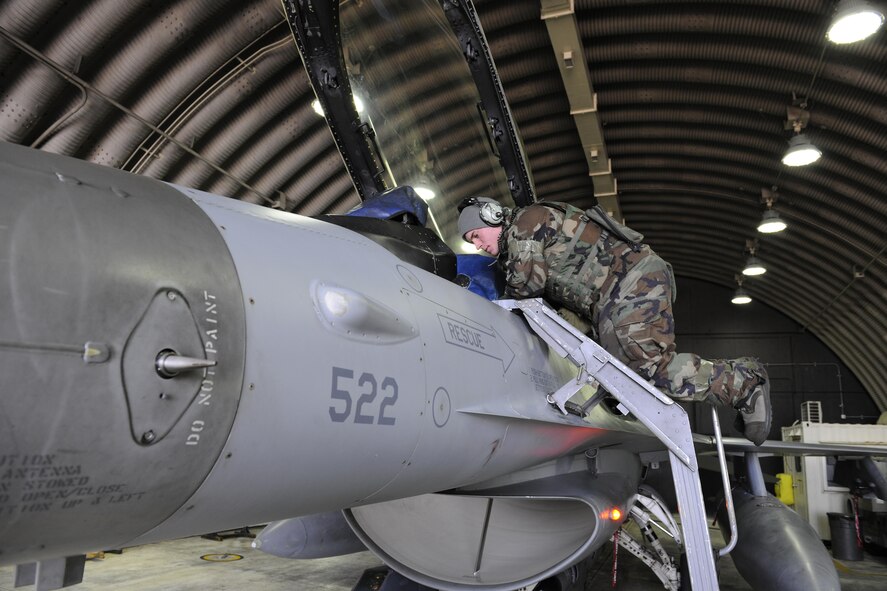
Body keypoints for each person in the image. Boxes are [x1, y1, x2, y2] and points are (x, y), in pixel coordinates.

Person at [457, 196, 772, 445]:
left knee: (646, 368)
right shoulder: (524, 235)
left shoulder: (526, 224)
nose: (478, 245)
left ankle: (742, 382)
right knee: (619, 371)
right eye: (471, 243)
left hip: (630, 283)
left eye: (476, 235)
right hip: (615, 294)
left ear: (493, 216)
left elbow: (526, 286)